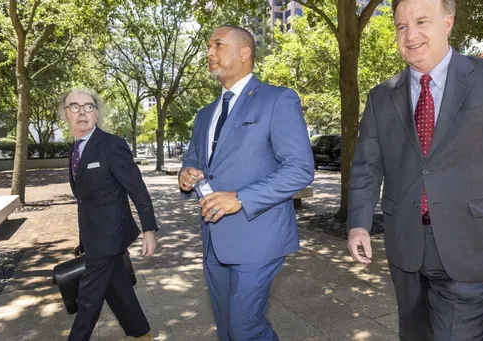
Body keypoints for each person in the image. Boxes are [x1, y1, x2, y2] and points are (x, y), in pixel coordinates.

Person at [347, 0, 483, 340]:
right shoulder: (381, 97)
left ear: (448, 22)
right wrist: (358, 223)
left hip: (473, 247)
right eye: (401, 26)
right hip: (406, 247)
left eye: (421, 21)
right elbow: (367, 166)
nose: (410, 35)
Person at [178, 25, 314, 340]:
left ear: (244, 53)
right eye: (208, 46)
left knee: (245, 327)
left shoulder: (277, 99)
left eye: (218, 44)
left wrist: (240, 197)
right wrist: (186, 175)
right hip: (214, 239)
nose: (209, 52)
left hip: (260, 235)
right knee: (226, 326)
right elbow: (194, 161)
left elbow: (300, 169)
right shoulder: (204, 114)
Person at [59, 89, 157, 341]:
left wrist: (148, 230)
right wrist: (84, 238)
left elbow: (137, 188)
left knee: (88, 301)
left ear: (97, 113)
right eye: (74, 106)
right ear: (65, 114)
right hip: (94, 238)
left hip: (110, 237)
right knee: (118, 291)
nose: (82, 111)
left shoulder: (111, 145)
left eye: (88, 106)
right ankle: (141, 334)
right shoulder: (75, 149)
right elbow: (86, 201)